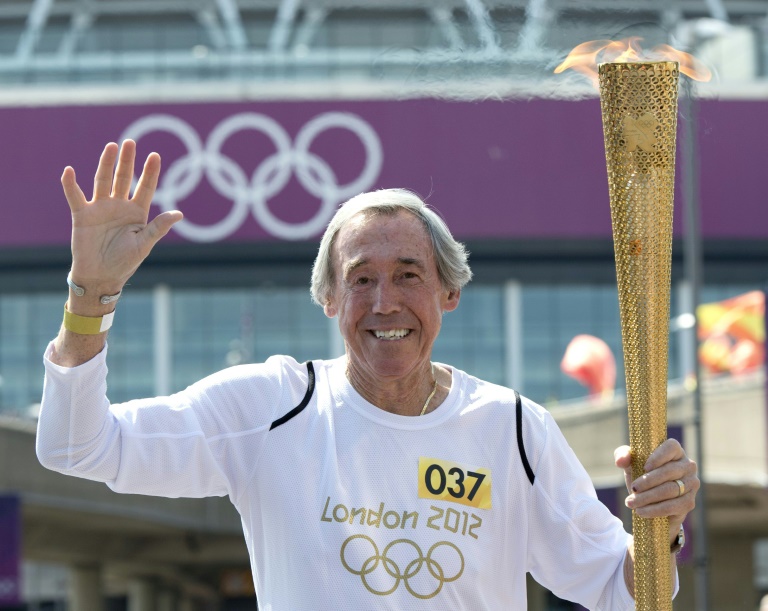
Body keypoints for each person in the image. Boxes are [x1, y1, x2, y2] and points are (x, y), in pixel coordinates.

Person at [37, 140, 699, 610]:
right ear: (329, 300)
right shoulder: (269, 408)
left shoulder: (515, 429)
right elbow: (77, 446)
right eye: (361, 280)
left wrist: (660, 526)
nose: (385, 303)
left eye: (408, 275)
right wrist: (89, 297)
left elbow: (623, 591)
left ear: (448, 292)